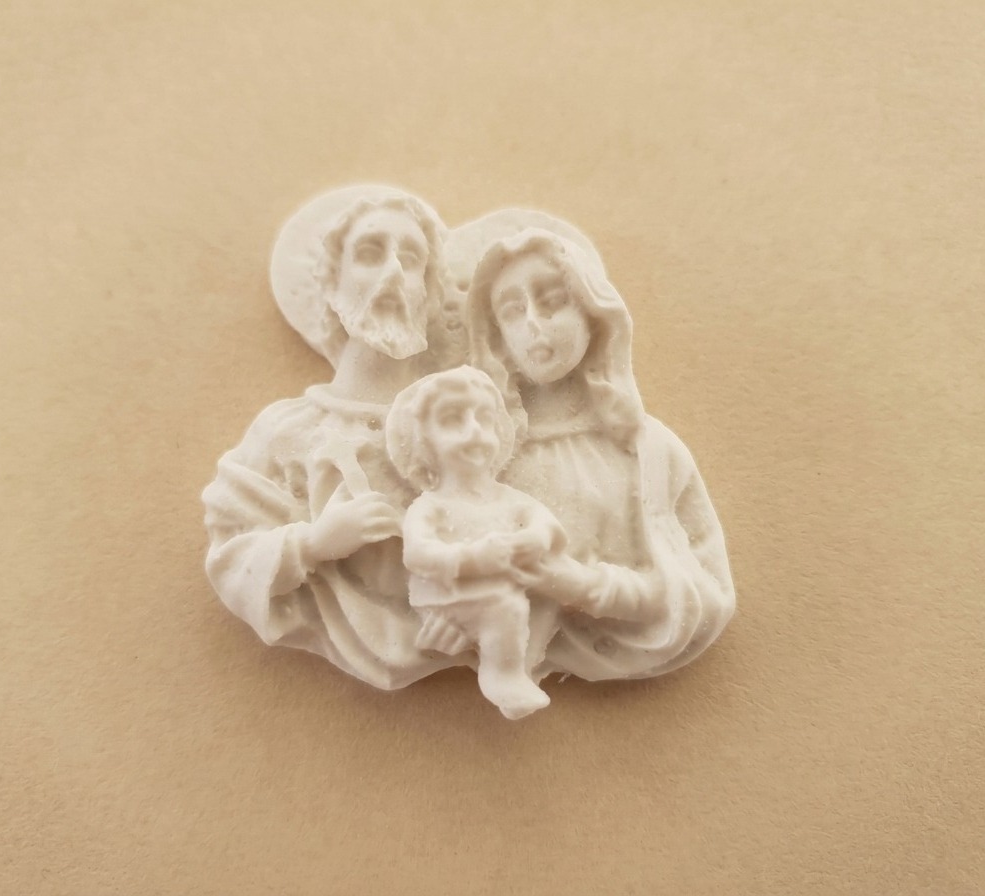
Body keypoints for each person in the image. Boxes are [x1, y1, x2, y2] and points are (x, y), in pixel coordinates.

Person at [202, 193, 462, 689]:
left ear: (428, 293)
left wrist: (468, 610)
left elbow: (500, 532)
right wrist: (315, 542)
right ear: (333, 282)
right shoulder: (285, 431)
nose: (392, 272)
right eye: (369, 253)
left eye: (410, 259)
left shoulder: (460, 425)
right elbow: (230, 553)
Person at [467, 228, 735, 682]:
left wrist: (589, 588)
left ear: (592, 313)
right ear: (498, 339)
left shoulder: (650, 453)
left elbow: (706, 591)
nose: (533, 323)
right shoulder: (485, 456)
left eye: (552, 301)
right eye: (512, 311)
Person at [387, 366, 566, 719]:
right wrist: (473, 559)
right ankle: (502, 675)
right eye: (453, 420)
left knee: (513, 604)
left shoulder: (510, 499)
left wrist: (535, 538)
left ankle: (507, 659)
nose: (474, 432)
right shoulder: (431, 506)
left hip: (494, 591)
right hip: (445, 594)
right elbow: (418, 554)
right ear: (425, 442)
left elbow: (547, 526)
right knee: (506, 607)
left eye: (484, 419)